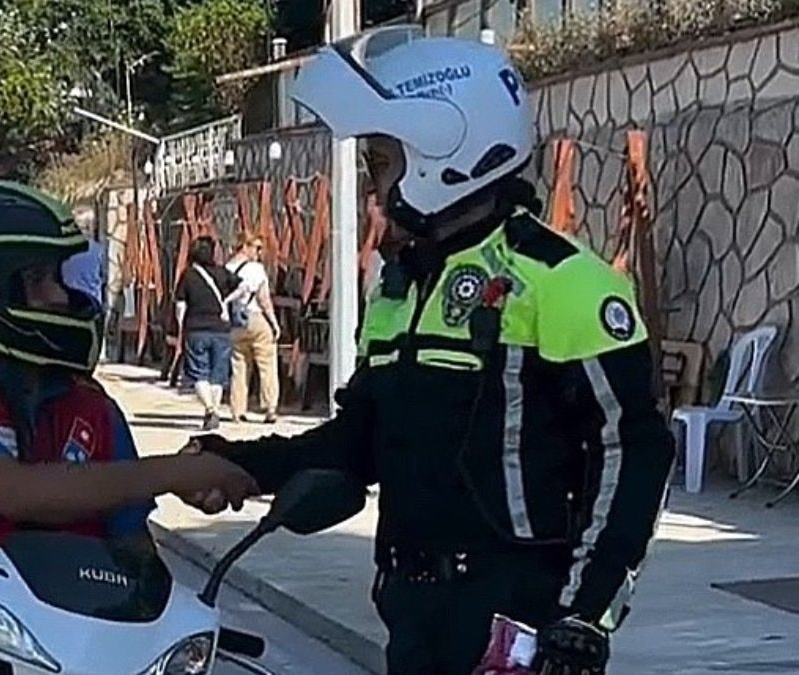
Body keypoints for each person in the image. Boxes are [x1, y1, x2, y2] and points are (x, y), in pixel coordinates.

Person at [181, 31, 675, 675]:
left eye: (381, 162)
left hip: (519, 624)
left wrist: (585, 612)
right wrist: (238, 464)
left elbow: (634, 451)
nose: (373, 187)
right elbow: (359, 443)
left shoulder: (562, 282)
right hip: (411, 613)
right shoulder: (399, 287)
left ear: (444, 151)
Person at [0, 182, 257, 673]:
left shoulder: (93, 409)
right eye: (39, 280)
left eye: (60, 278)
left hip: (85, 653)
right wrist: (175, 473)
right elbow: (17, 492)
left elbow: (133, 546)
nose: (61, 297)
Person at [174, 236, 247, 431]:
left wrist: (181, 326)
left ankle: (210, 409)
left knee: (199, 373)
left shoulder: (188, 275)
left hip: (196, 329)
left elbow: (180, 306)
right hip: (221, 330)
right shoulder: (222, 273)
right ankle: (214, 410)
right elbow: (243, 286)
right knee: (218, 375)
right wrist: (226, 301)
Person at [225, 233, 281, 423]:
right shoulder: (255, 269)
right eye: (257, 248)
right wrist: (274, 323)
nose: (259, 253)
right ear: (245, 246)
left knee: (239, 365)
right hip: (255, 318)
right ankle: (270, 407)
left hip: (235, 322)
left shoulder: (227, 268)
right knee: (267, 364)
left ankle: (237, 409)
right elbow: (264, 299)